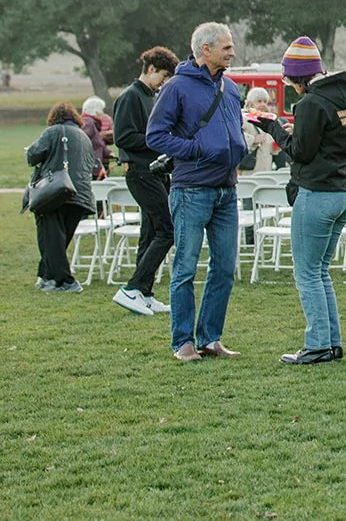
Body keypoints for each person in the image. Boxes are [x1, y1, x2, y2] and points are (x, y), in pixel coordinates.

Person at [254, 37, 346, 365]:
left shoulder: (310, 104)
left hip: (317, 194)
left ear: (298, 78)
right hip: (342, 191)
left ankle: (317, 344)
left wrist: (274, 128)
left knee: (307, 274)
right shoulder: (343, 95)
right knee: (321, 271)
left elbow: (301, 151)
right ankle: (332, 343)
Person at [147, 22, 249, 362]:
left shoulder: (231, 88)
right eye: (226, 47)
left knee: (224, 267)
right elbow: (155, 136)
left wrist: (238, 147)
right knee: (186, 268)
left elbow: (233, 128)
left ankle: (210, 338)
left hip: (226, 190)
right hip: (191, 189)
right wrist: (196, 150)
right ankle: (183, 342)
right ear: (205, 49)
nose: (232, 52)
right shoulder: (176, 87)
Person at [110, 46, 179, 315]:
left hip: (154, 171)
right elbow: (124, 138)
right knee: (167, 229)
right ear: (151, 69)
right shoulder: (130, 97)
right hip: (140, 172)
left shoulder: (150, 96)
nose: (164, 82)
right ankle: (132, 288)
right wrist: (159, 141)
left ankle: (144, 293)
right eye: (163, 75)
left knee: (150, 232)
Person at [27, 102, 98, 293]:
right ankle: (46, 277)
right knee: (57, 242)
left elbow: (33, 155)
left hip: (56, 192)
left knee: (50, 239)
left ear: (53, 117)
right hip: (80, 195)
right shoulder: (84, 137)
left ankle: (66, 281)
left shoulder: (53, 132)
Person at [241, 87, 277, 173]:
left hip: (266, 167)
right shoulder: (243, 117)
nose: (263, 104)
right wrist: (253, 139)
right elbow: (235, 136)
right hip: (249, 169)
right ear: (251, 103)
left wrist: (276, 145)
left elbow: (272, 147)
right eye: (259, 101)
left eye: (265, 102)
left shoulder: (268, 119)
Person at [79, 96, 112, 179]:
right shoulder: (88, 123)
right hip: (91, 168)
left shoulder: (93, 124)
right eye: (101, 110)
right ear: (96, 111)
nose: (103, 114)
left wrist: (108, 153)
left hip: (94, 166)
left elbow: (97, 142)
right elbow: (82, 140)